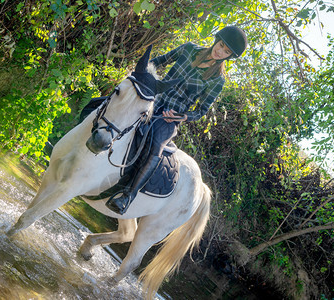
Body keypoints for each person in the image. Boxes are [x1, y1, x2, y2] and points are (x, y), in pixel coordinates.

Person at [105, 26, 248, 215]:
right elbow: (157, 62)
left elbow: (201, 110)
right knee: (115, 109)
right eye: (221, 45)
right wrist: (145, 78)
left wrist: (182, 116)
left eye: (226, 52)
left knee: (156, 144)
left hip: (169, 118)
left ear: (228, 57)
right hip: (152, 101)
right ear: (217, 40)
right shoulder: (188, 49)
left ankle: (128, 196)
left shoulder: (217, 80)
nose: (219, 52)